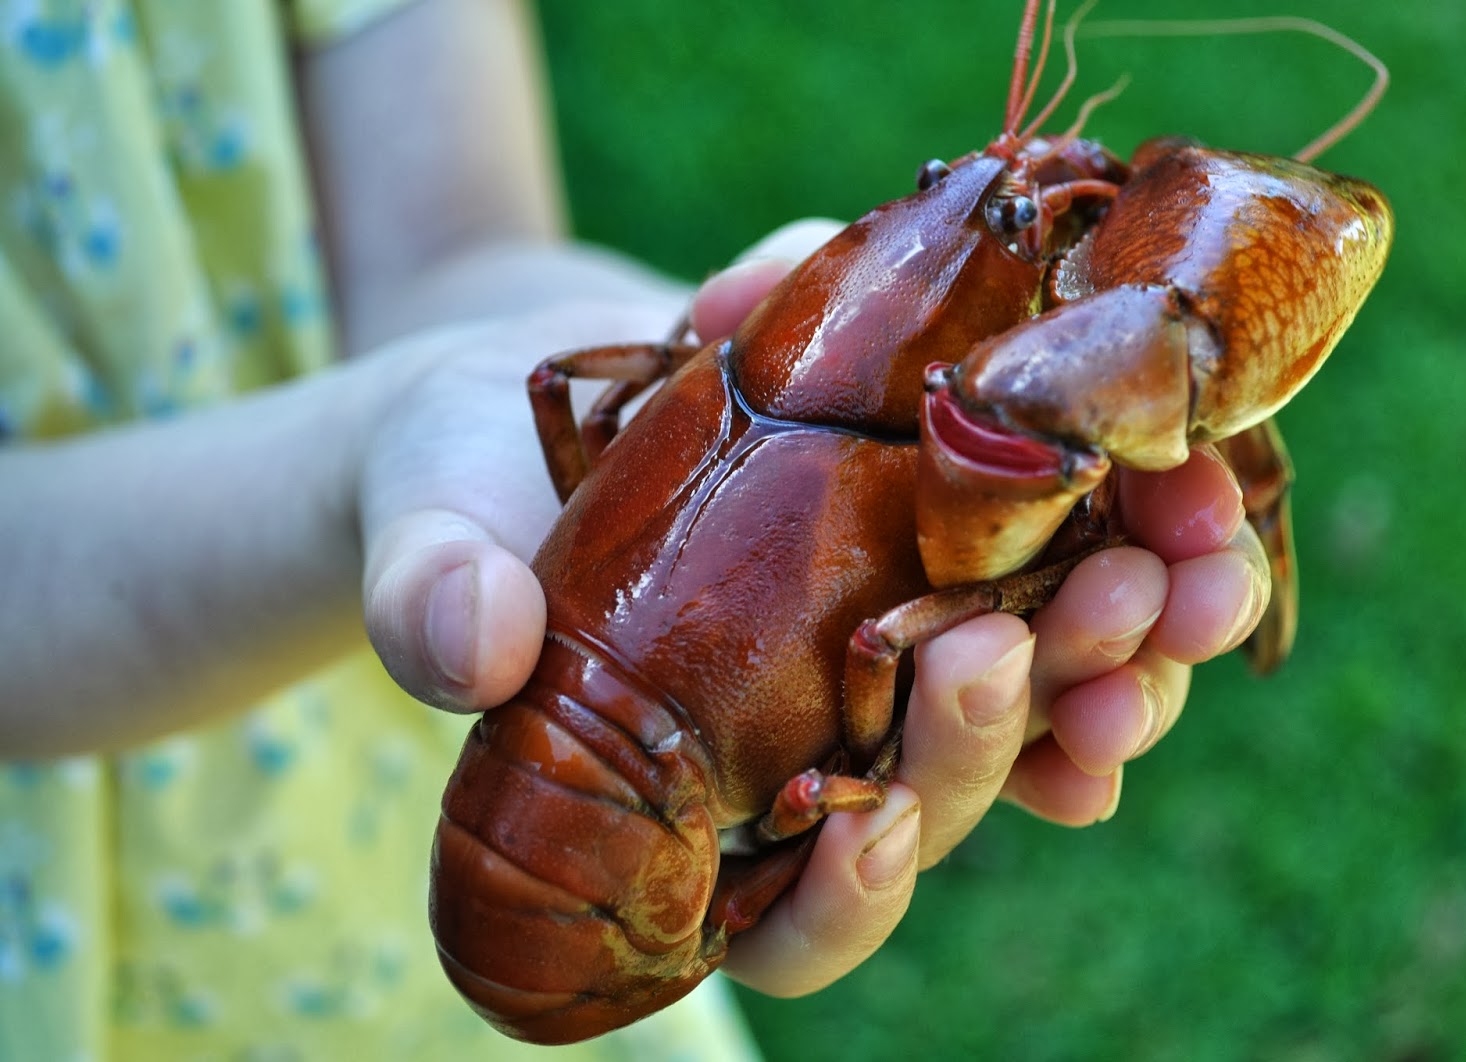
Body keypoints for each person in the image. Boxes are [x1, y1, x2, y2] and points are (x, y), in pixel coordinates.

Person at [0, 1, 1270, 1058]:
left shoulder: (750, 362)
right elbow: (885, 636)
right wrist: (369, 447)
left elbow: (461, 259)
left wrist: (544, 356)